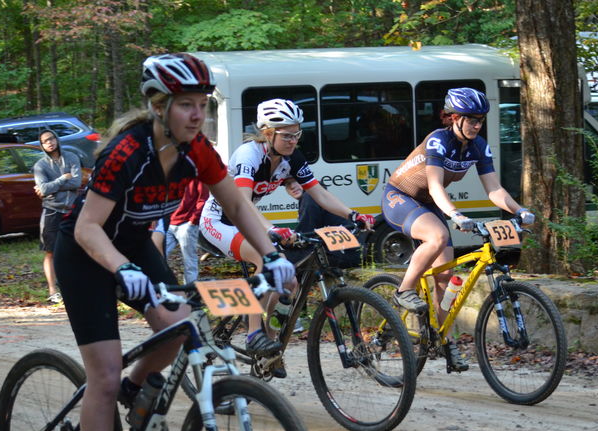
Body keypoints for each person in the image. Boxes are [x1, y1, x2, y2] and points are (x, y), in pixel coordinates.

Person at [53, 53, 294, 431]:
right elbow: (87, 228)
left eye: (202, 103)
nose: (198, 113)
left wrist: (273, 252)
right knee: (103, 374)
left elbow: (239, 208)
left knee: (179, 323)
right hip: (85, 252)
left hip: (135, 243)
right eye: (187, 104)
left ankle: (135, 388)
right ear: (159, 106)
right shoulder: (128, 151)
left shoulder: (197, 149)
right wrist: (121, 270)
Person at [199, 98, 374, 372]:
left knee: (289, 279)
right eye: (287, 135)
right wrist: (270, 229)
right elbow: (242, 203)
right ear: (267, 133)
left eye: (297, 133)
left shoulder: (292, 158)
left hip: (246, 220)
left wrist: (353, 215)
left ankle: (266, 331)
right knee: (263, 256)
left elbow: (319, 194)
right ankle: (254, 334)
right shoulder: (249, 154)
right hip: (219, 221)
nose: (294, 140)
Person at [381, 87, 535, 371]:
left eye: (480, 119)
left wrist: (519, 210)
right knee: (437, 236)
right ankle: (404, 290)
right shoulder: (438, 141)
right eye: (470, 119)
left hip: (430, 204)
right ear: (453, 118)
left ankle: (446, 342)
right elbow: (435, 184)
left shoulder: (478, 146)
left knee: (445, 277)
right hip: (402, 198)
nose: (477, 124)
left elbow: (494, 189)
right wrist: (454, 214)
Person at [33, 129, 82, 304]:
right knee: (50, 252)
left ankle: (74, 286)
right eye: (45, 141)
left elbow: (76, 182)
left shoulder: (72, 157)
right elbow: (43, 189)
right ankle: (53, 290)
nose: (50, 142)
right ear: (42, 146)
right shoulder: (40, 165)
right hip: (51, 211)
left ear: (57, 139)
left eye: (52, 138)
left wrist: (49, 187)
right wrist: (62, 179)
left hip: (71, 210)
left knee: (74, 250)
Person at [150, 178, 208, 284]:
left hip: (187, 225)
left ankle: (191, 292)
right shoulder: (171, 174)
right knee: (156, 256)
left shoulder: (196, 176)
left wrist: (193, 221)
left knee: (189, 261)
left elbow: (203, 199)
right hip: (169, 222)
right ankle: (159, 286)